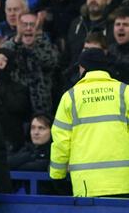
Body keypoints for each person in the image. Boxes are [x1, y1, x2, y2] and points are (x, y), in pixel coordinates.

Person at [50, 48, 129, 198]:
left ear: (83, 67)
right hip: (124, 182)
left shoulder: (71, 97)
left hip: (87, 185)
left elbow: (61, 142)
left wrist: (57, 176)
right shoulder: (124, 92)